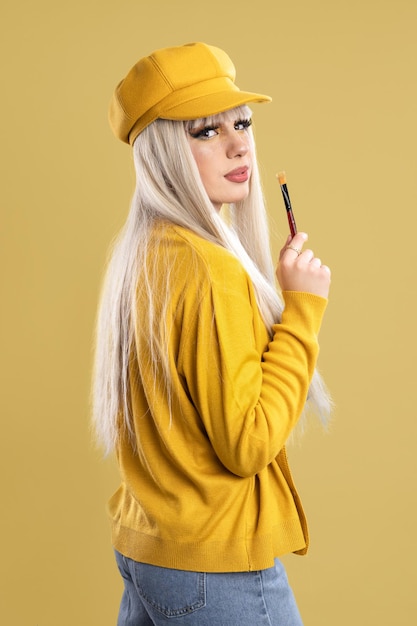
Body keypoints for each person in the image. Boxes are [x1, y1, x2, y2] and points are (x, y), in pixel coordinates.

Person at [92, 42, 332, 626]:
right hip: (214, 565)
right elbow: (248, 443)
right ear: (165, 152)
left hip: (151, 548)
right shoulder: (209, 268)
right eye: (205, 131)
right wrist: (302, 310)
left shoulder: (143, 254)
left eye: (242, 122)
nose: (237, 143)